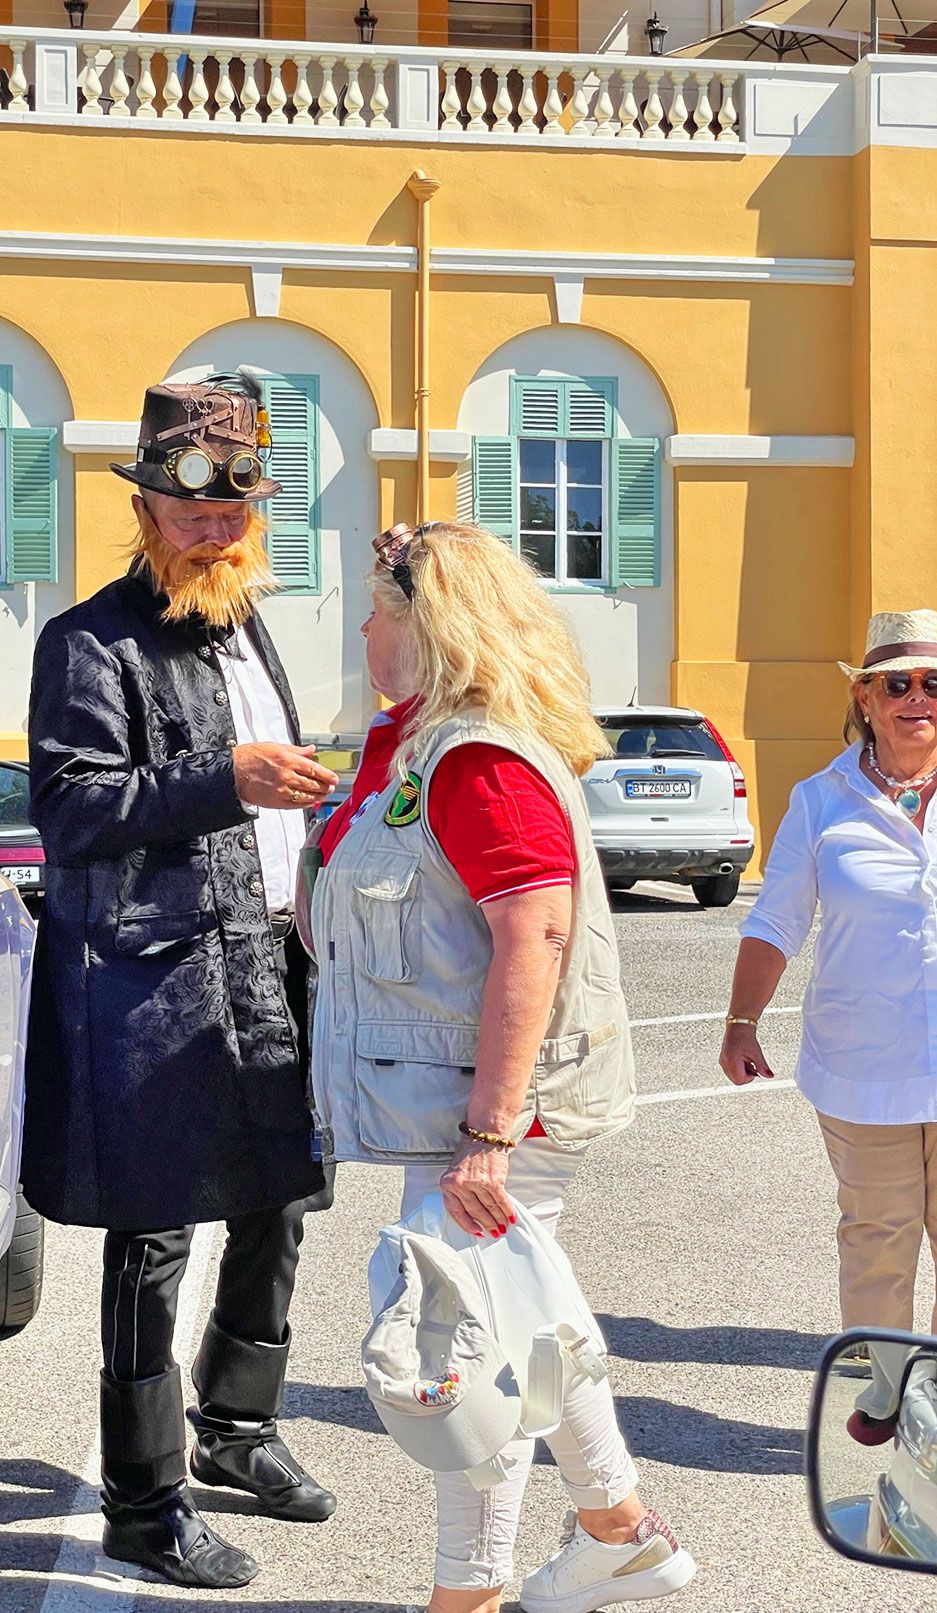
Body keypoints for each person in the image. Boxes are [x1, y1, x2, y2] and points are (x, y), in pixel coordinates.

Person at [306, 521, 696, 1613]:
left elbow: (536, 935)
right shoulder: (425, 748)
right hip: (457, 1105)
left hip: (488, 1113)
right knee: (518, 1325)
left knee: (466, 1352)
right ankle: (616, 1530)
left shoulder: (479, 760)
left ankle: (478, 1590)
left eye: (376, 613)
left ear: (426, 627)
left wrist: (489, 1131)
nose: (362, 634)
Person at [24, 373, 339, 1589]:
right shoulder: (88, 639)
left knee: (281, 1196)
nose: (215, 529)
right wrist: (227, 778)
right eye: (193, 509)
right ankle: (142, 1500)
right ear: (146, 508)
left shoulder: (246, 625)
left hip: (270, 954)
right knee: (153, 1232)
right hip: (153, 980)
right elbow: (70, 809)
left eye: (233, 510)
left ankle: (238, 1425)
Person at [722, 609, 937, 1446]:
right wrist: (742, 1020)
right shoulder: (820, 800)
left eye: (934, 683)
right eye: (898, 683)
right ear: (865, 697)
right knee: (878, 1240)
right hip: (864, 1068)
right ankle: (889, 1386)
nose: (918, 698)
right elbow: (776, 919)